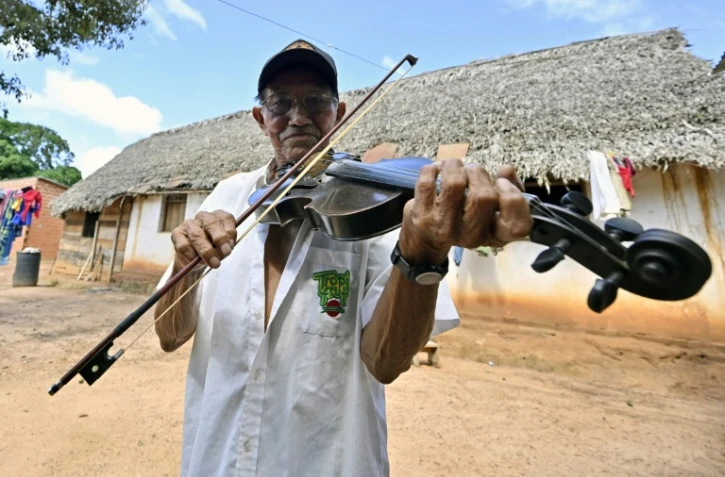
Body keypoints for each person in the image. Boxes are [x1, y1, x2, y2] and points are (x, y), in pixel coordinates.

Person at [154, 39, 533, 477]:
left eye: (316, 100)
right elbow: (169, 335)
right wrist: (187, 264)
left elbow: (386, 363)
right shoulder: (228, 198)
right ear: (261, 118)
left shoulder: (382, 208)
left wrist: (422, 252)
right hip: (214, 463)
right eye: (280, 104)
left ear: (341, 112)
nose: (298, 117)